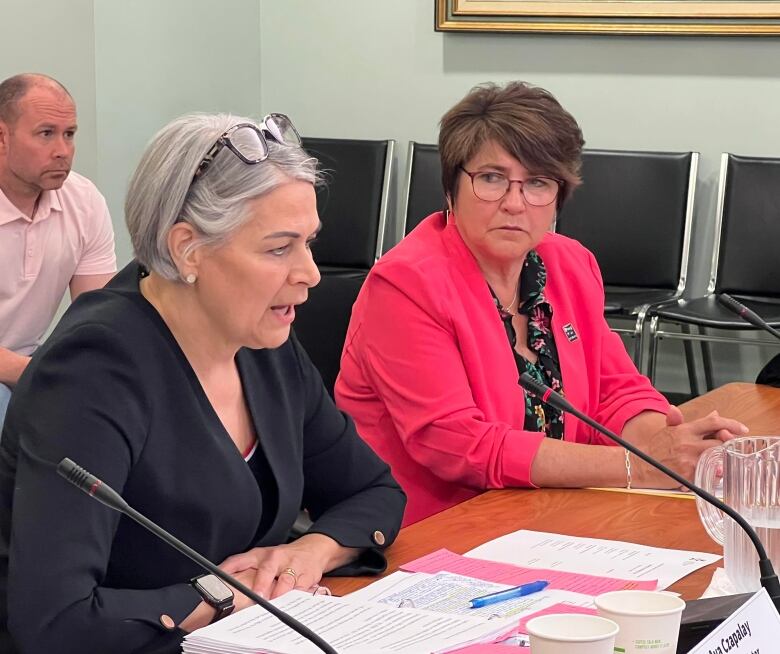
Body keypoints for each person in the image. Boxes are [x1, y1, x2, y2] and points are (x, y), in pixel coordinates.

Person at [0, 112, 406, 653]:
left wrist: (306, 555)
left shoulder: (260, 342)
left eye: (309, 242)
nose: (309, 273)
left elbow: (373, 491)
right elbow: (53, 622)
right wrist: (223, 595)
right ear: (187, 249)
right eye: (279, 247)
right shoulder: (92, 371)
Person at [335, 81, 748, 527]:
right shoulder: (406, 285)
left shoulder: (568, 265)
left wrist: (670, 448)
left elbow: (615, 390)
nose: (514, 203)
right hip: (428, 531)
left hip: (547, 516)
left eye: (537, 183)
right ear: (451, 187)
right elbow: (459, 446)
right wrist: (639, 467)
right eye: (491, 178)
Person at [0, 73, 116, 425]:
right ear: (2, 138)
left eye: (69, 134)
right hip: (20, 371)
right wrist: (38, 374)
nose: (63, 151)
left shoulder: (84, 201)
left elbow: (98, 317)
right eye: (46, 133)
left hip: (28, 364)